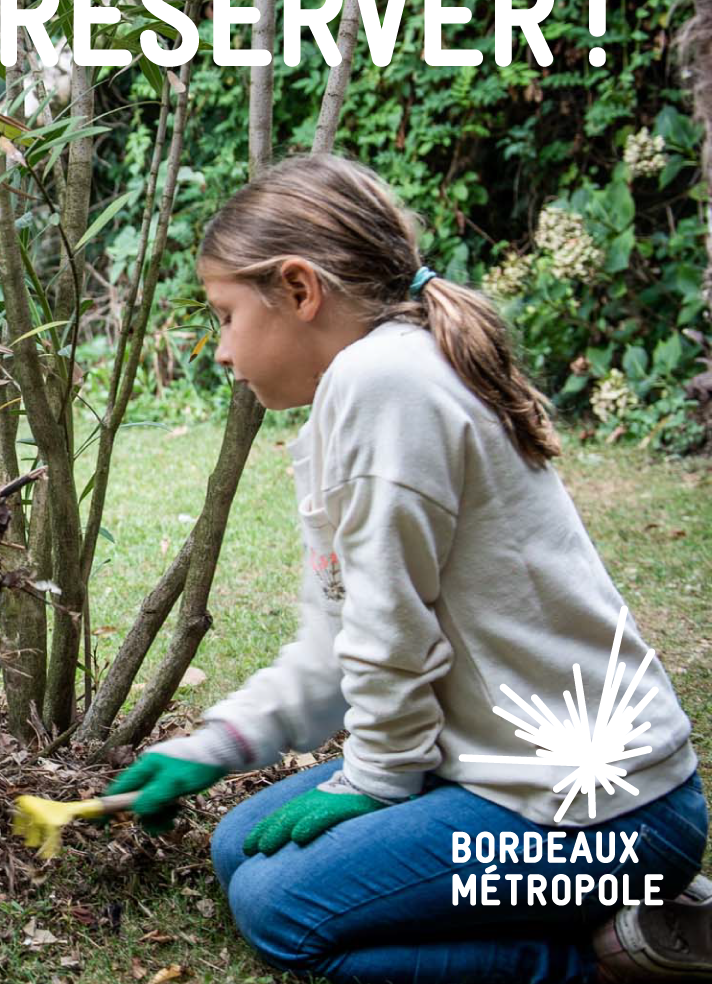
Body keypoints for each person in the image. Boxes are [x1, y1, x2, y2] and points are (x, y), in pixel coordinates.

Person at [105, 154, 708, 984]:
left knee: (279, 908)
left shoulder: (384, 381)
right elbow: (340, 640)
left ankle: (619, 955)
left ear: (298, 288)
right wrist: (216, 745)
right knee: (236, 843)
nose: (219, 349)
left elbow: (390, 630)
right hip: (518, 782)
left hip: (610, 818)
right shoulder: (371, 380)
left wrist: (376, 782)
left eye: (226, 315)